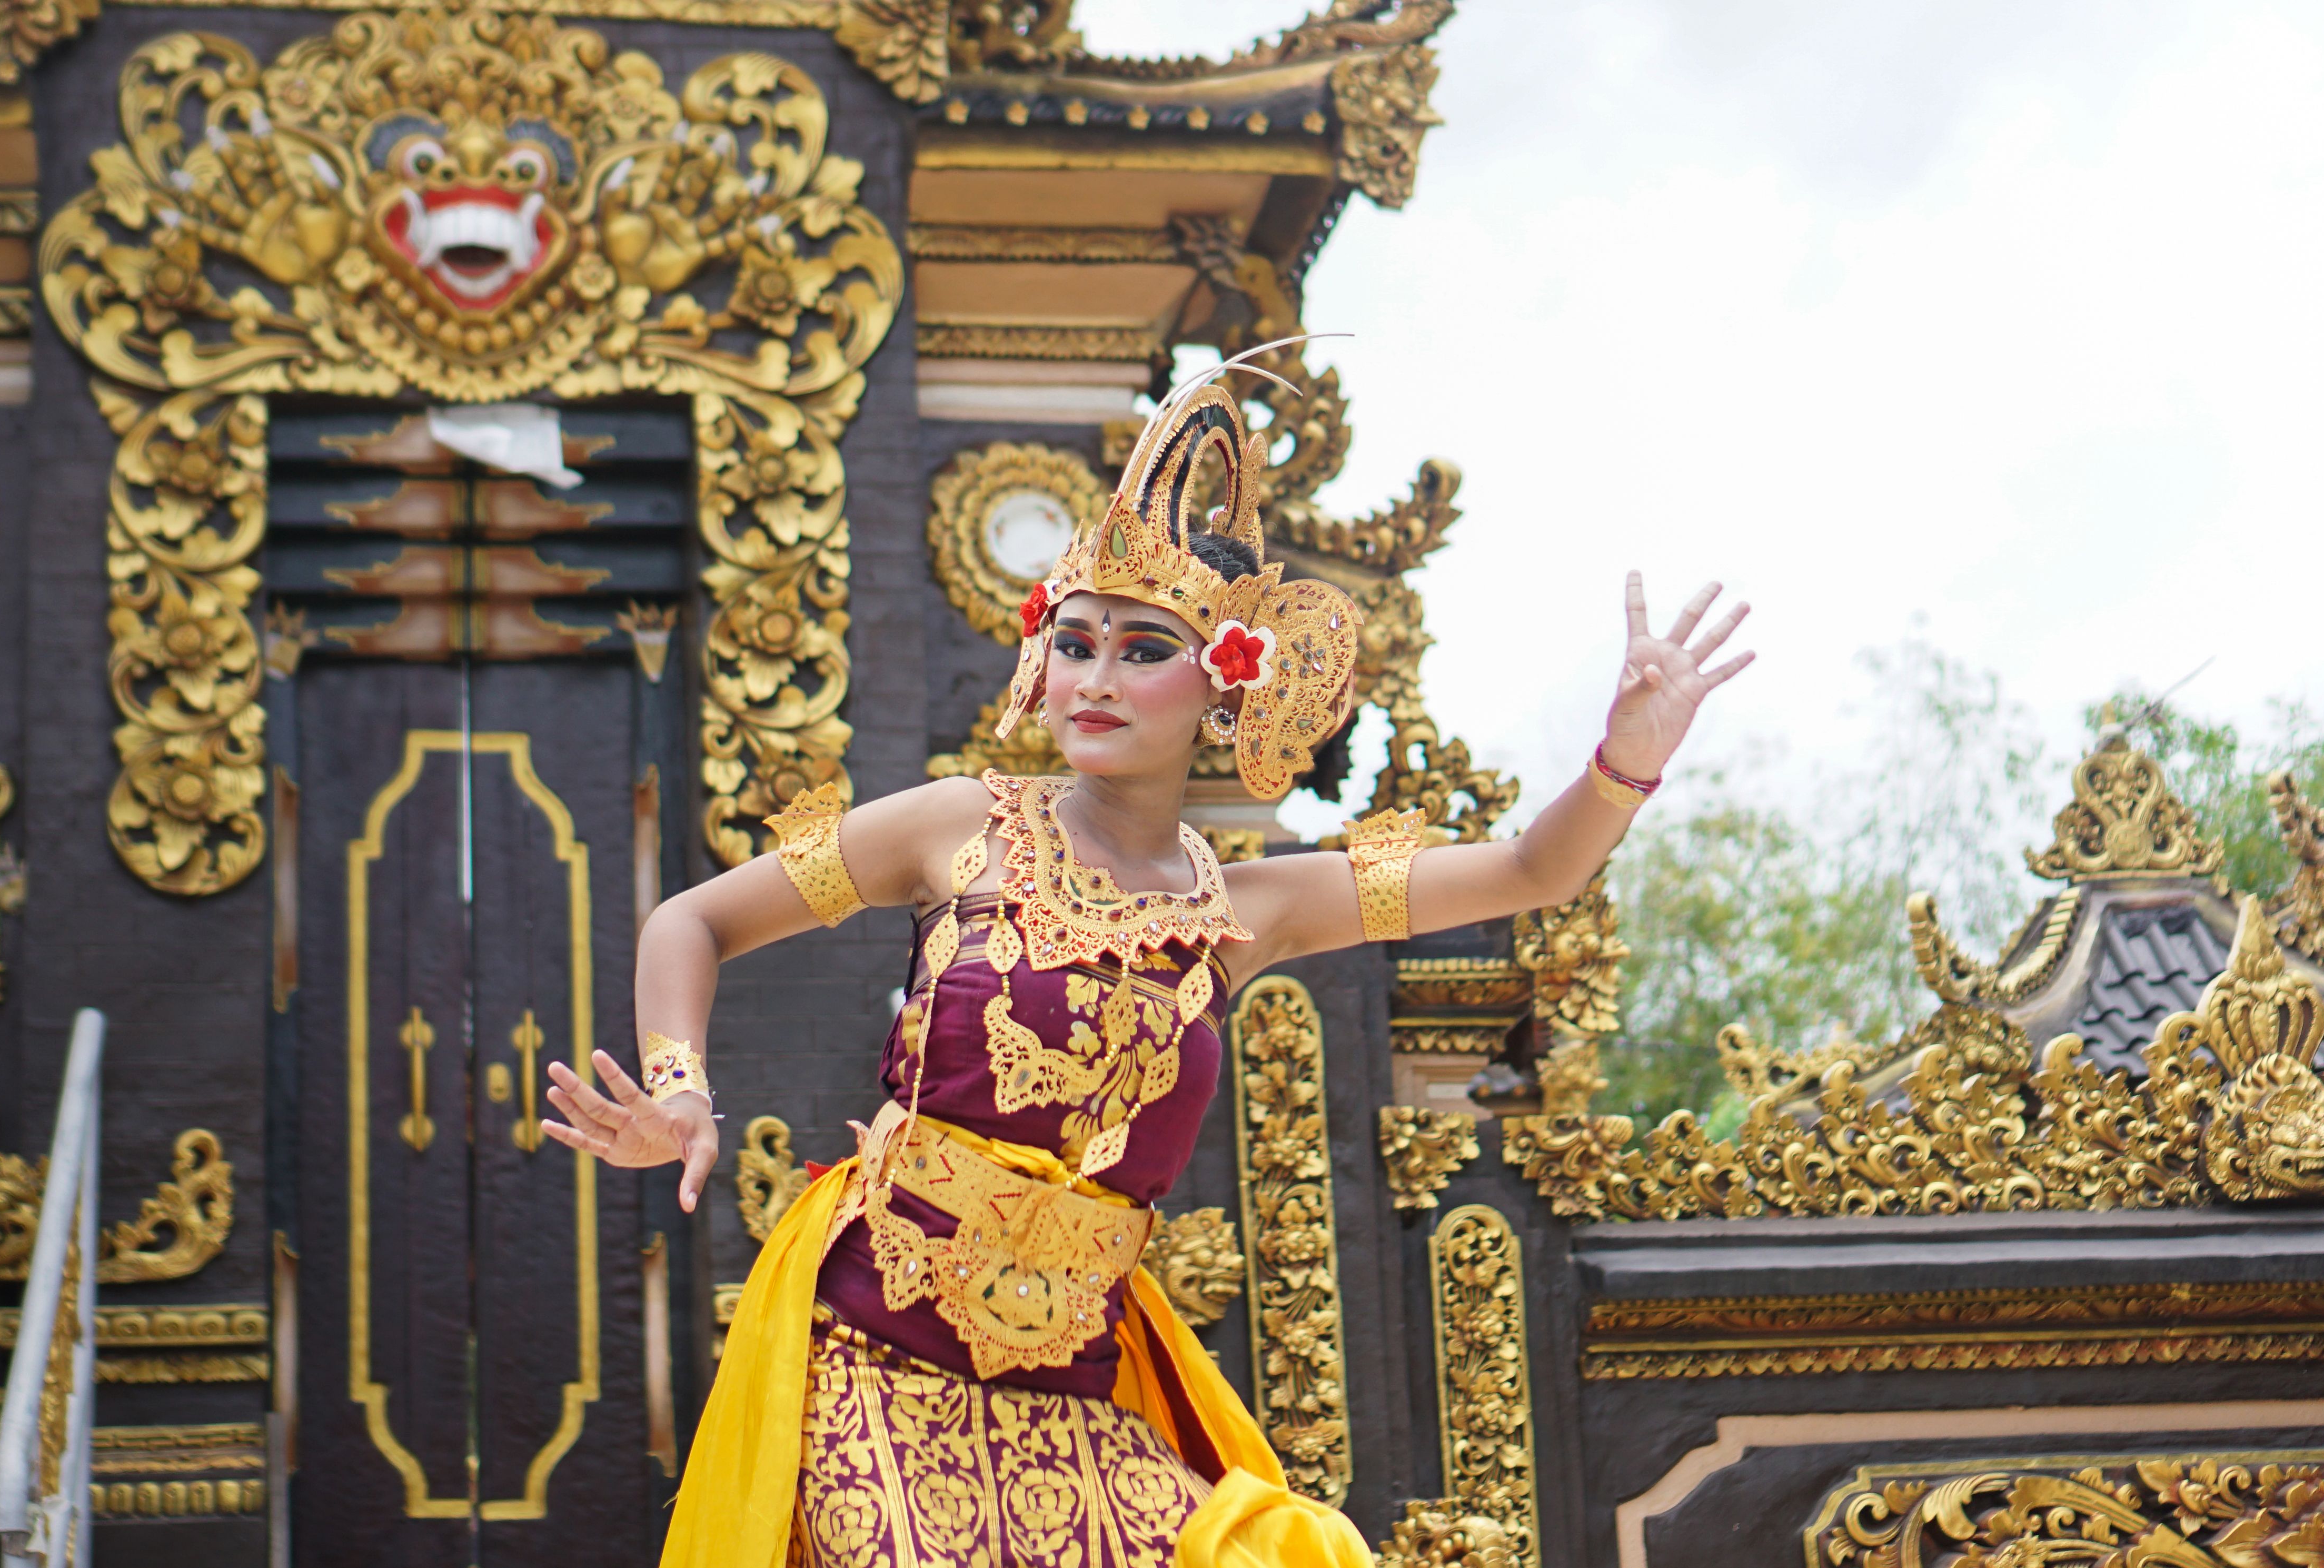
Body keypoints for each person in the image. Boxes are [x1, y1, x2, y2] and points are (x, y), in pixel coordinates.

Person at [540, 356, 1754, 1568]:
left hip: (1073, 1409)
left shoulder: (1249, 912)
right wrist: (680, 1088)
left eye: (1140, 650)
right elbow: (688, 923)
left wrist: (1626, 760)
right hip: (875, 1368)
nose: (1095, 679)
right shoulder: (955, 826)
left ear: (1224, 685)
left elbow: (1531, 874)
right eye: (1074, 645)